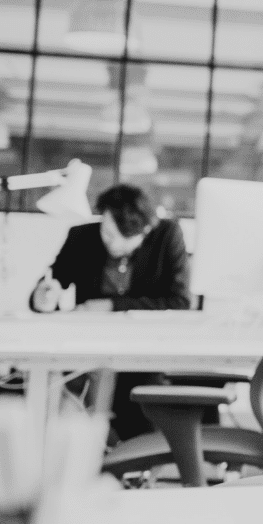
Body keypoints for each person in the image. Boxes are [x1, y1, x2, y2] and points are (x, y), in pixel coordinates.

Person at [30, 183, 192, 440]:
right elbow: (48, 288)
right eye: (107, 232)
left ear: (146, 230)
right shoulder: (81, 237)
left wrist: (111, 306)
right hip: (89, 347)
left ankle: (131, 455)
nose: (111, 243)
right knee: (67, 393)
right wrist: (44, 299)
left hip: (144, 348)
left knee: (136, 402)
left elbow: (179, 301)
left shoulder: (167, 235)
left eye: (122, 238)